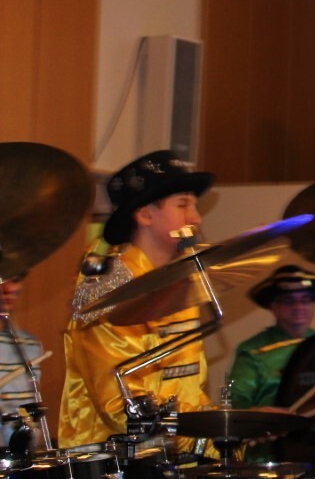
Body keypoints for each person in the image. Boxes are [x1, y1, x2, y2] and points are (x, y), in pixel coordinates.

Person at [59, 150, 215, 451]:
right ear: (145, 215)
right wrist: (207, 439)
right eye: (183, 204)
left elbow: (188, 389)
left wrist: (231, 428)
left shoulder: (181, 282)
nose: (196, 218)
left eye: (195, 206)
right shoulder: (109, 289)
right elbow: (122, 409)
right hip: (115, 465)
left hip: (177, 456)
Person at [226, 265, 315, 410]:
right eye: (288, 301)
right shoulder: (252, 351)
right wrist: (260, 412)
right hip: (271, 424)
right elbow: (236, 402)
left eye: (305, 300)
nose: (298, 307)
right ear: (273, 306)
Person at [0, 277, 46, 451]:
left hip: (15, 456)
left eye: (16, 279)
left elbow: (29, 421)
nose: (9, 289)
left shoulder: (29, 345)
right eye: (3, 279)